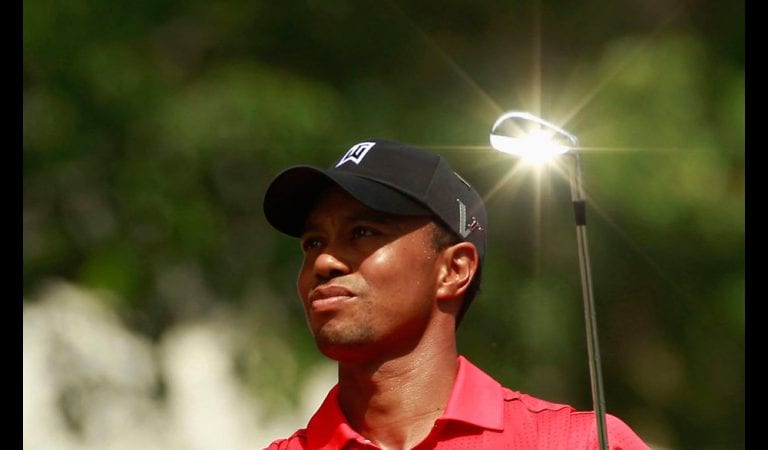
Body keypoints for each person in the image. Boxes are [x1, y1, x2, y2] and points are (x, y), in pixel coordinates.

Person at [261, 139, 649, 449]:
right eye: (313, 242)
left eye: (362, 232)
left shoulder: (578, 444)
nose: (324, 261)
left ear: (454, 270)